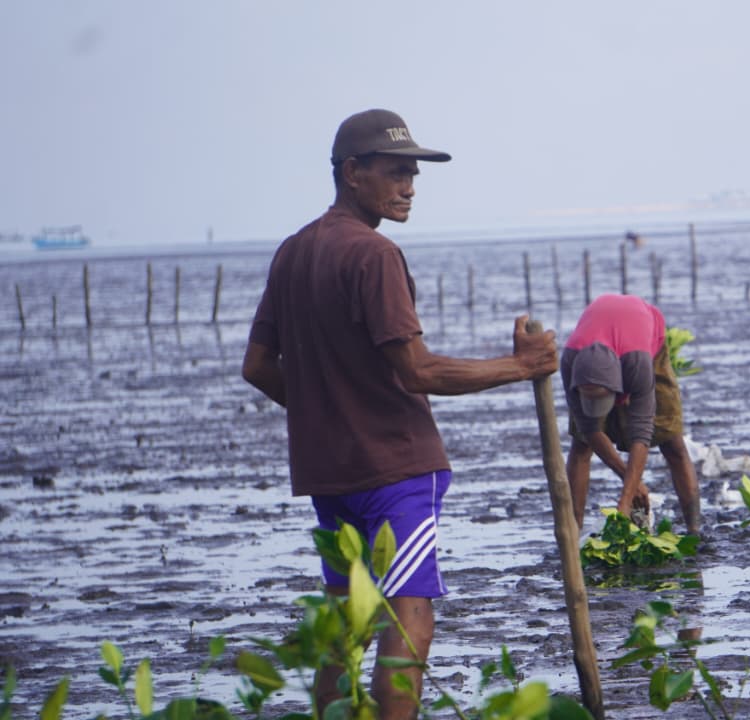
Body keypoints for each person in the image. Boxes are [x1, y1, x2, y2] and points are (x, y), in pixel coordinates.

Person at [240, 108, 558, 720]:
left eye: (413, 174)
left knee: (345, 620)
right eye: (395, 172)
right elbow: (417, 370)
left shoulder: (292, 252)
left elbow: (258, 366)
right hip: (396, 472)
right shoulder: (374, 254)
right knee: (408, 613)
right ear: (352, 173)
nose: (409, 187)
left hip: (330, 474)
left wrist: (329, 413)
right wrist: (520, 366)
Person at [561, 293, 701, 535]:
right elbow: (589, 429)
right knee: (581, 445)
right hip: (596, 344)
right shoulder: (570, 364)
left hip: (645, 340)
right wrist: (631, 480)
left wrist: (625, 502)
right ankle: (572, 533)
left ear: (618, 386)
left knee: (672, 441)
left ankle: (695, 529)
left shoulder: (637, 363)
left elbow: (641, 433)